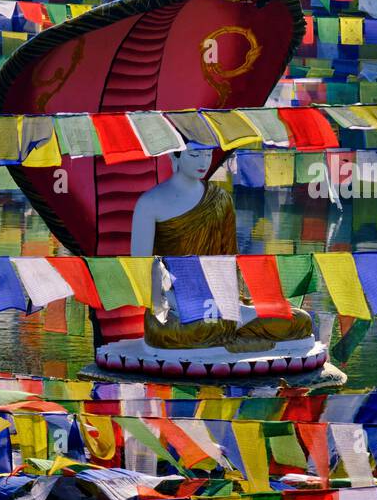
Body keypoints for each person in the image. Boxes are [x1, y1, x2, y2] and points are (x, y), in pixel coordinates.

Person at [130, 143, 312, 350]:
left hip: (219, 302)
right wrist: (172, 301)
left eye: (208, 154)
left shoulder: (220, 199)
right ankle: (232, 331)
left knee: (299, 321)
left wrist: (228, 303)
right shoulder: (149, 203)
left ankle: (233, 327)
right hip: (173, 306)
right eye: (195, 154)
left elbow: (227, 261)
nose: (203, 161)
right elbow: (141, 271)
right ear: (175, 156)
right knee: (206, 327)